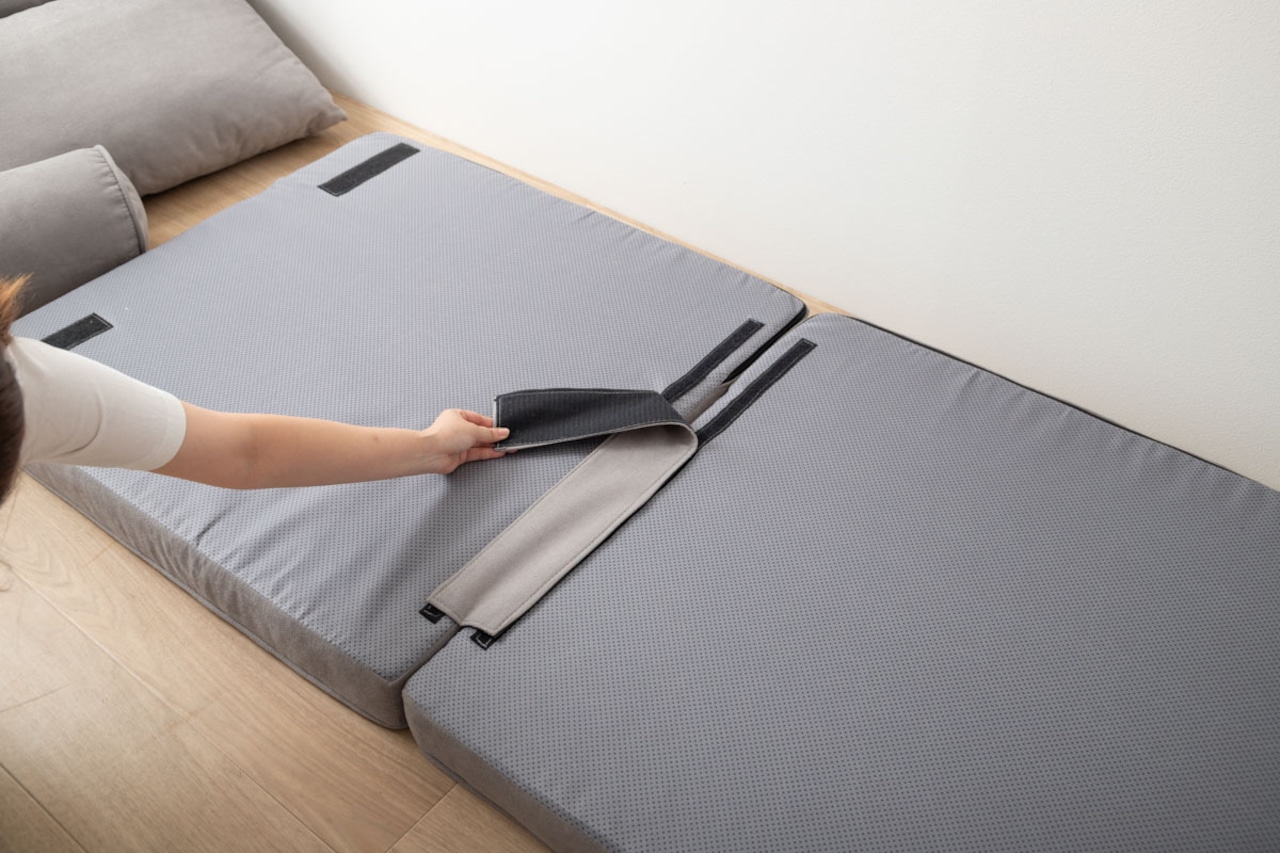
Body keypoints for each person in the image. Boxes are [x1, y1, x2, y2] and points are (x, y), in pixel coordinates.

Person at [0, 274, 509, 506]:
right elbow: (242, 454)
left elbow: (244, 453)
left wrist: (431, 448)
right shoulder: (30, 390)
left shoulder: (33, 389)